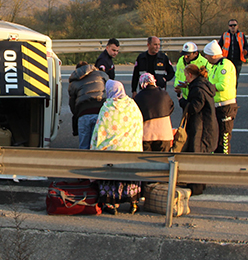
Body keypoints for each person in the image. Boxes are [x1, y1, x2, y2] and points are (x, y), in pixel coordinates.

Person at [91, 80, 144, 214]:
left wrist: (95, 147)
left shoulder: (107, 106)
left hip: (111, 152)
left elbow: (100, 129)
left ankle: (111, 203)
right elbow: (138, 124)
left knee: (110, 176)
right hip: (130, 150)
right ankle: (133, 202)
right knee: (130, 177)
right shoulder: (132, 105)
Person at [203, 40, 238, 154]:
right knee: (215, 137)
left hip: (225, 107)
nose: (205, 57)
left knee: (224, 138)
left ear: (213, 55)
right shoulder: (214, 66)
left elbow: (223, 85)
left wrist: (207, 87)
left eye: (207, 55)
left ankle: (224, 162)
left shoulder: (225, 65)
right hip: (216, 106)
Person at [178, 64, 218, 153]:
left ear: (190, 75)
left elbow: (194, 108)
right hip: (208, 126)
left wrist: (182, 101)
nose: (186, 78)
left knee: (197, 152)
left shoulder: (197, 89)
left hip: (201, 128)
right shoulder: (204, 85)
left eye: (186, 76)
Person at [68, 61, 107, 149]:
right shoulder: (101, 75)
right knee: (98, 145)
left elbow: (72, 103)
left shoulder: (74, 82)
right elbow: (109, 90)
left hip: (83, 114)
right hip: (99, 112)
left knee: (84, 146)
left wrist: (77, 114)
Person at [134, 73, 174, 152]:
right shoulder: (164, 94)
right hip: (164, 133)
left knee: (147, 162)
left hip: (146, 134)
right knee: (163, 161)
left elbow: (136, 115)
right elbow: (171, 107)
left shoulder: (139, 97)